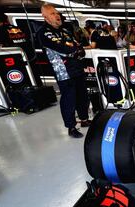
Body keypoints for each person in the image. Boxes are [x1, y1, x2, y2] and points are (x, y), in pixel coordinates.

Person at [37, 4, 90, 138]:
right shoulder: (43, 33)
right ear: (45, 17)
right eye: (52, 14)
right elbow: (62, 48)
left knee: (82, 95)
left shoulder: (66, 30)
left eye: (57, 13)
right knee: (69, 99)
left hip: (77, 67)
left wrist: (76, 50)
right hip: (63, 72)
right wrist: (74, 51)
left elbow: (78, 47)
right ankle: (71, 127)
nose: (57, 16)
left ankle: (84, 119)